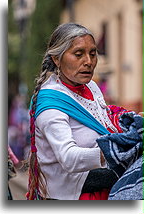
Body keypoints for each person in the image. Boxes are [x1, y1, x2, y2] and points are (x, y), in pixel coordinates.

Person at [26, 23, 140, 200]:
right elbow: (69, 158)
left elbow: (103, 119)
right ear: (57, 58)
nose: (88, 61)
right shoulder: (51, 105)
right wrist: (114, 151)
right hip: (73, 195)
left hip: (102, 185)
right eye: (78, 54)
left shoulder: (91, 87)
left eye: (93, 54)